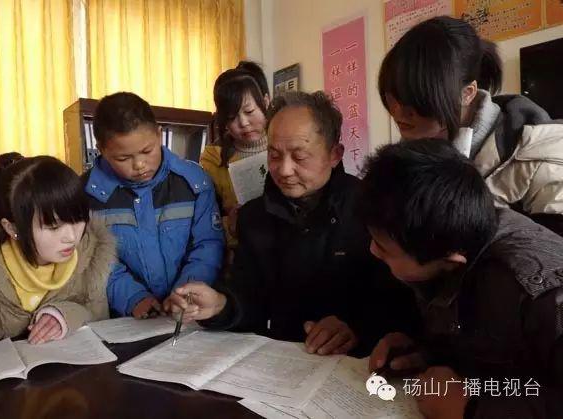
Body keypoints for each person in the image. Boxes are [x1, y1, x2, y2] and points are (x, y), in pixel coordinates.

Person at [165, 91, 419, 356]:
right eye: (274, 155)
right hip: (279, 364)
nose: (284, 170)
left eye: (299, 156)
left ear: (334, 154)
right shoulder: (254, 217)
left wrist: (356, 327)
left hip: (355, 367)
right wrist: (220, 305)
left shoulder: (371, 211)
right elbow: (249, 296)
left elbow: (398, 304)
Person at [359, 139, 563, 419]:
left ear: (448, 261)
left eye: (384, 248)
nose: (372, 251)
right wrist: (425, 352)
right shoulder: (449, 229)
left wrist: (470, 410)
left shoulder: (540, 293)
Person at [378, 15, 563, 235]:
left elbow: (551, 262)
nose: (398, 113)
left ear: (467, 94)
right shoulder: (413, 149)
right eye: (393, 98)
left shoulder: (544, 160)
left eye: (415, 101)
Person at [84, 92, 224, 319]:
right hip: (126, 317)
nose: (139, 165)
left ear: (159, 135)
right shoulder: (88, 197)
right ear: (102, 150)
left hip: (188, 311)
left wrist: (186, 293)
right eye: (123, 158)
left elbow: (207, 244)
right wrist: (133, 298)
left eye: (147, 151)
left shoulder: (194, 183)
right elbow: (95, 258)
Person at [0, 153, 115, 357]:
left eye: (78, 219)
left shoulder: (91, 255)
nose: (72, 237)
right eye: (53, 227)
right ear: (11, 228)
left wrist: (65, 315)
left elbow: (99, 317)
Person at [200, 61, 270, 250]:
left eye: (249, 112)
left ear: (265, 102)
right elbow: (205, 222)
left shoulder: (284, 142)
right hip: (241, 251)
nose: (244, 123)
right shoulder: (213, 159)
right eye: (231, 118)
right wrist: (229, 225)